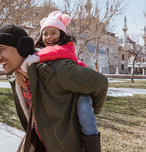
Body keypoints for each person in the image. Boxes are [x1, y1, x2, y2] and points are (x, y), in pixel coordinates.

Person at [0, 24, 108, 152]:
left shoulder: (57, 69)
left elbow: (101, 84)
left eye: (1, 49)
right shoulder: (17, 78)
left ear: (22, 47)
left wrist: (86, 113)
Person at [20, 11, 100, 150]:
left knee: (84, 109)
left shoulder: (67, 47)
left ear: (61, 35)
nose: (49, 37)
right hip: (63, 91)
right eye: (45, 34)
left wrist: (35, 58)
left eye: (53, 33)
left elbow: (54, 53)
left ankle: (92, 146)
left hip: (80, 85)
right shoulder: (41, 51)